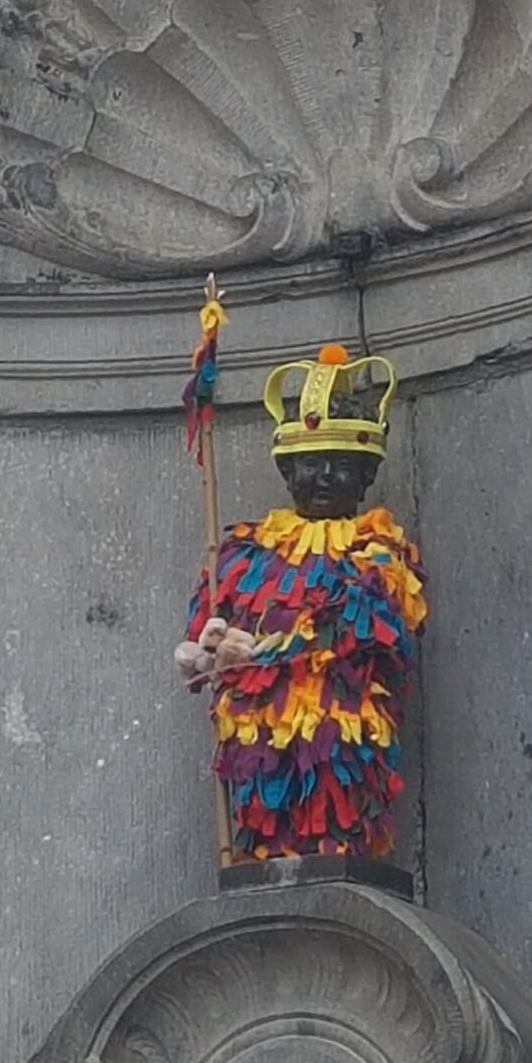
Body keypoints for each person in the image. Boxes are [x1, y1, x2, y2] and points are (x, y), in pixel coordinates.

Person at [175, 344, 427, 861]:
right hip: (257, 735)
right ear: (289, 472)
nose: (325, 476)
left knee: (336, 805)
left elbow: (359, 628)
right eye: (311, 463)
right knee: (265, 819)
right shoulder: (243, 552)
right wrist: (204, 650)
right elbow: (208, 627)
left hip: (340, 727)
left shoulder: (380, 549)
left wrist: (261, 651)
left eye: (342, 465)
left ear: (366, 476)